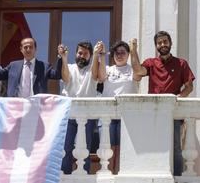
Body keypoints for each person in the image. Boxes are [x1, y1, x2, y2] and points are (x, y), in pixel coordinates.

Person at [130, 31, 195, 176]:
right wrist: (133, 50)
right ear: (156, 46)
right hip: (153, 112)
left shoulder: (181, 63)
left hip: (173, 112)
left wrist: (178, 98)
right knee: (152, 144)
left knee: (175, 146)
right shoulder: (151, 63)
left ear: (170, 43)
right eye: (159, 43)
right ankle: (151, 175)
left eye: (165, 41)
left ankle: (177, 178)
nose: (162, 44)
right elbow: (138, 70)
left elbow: (189, 87)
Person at [94, 38, 141, 173]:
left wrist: (134, 50)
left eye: (123, 52)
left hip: (127, 116)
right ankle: (108, 173)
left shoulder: (132, 70)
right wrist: (102, 55)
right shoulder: (108, 69)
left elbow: (138, 76)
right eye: (116, 53)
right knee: (107, 148)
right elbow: (101, 78)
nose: (119, 55)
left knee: (124, 148)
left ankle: (122, 173)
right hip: (107, 116)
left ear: (128, 54)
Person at [57, 41, 100, 174]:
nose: (82, 56)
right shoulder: (69, 67)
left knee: (85, 146)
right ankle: (65, 174)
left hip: (88, 115)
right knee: (66, 146)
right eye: (80, 53)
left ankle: (85, 174)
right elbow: (65, 78)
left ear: (90, 56)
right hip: (69, 114)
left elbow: (95, 75)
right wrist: (64, 58)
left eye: (86, 54)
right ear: (75, 53)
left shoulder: (93, 68)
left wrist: (96, 55)